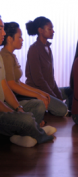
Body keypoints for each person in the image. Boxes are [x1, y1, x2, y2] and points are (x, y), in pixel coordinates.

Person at [0, 16, 56, 147]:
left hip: (6, 107)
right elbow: (12, 85)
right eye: (1, 29)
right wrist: (14, 112)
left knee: (36, 106)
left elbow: (5, 86)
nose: (3, 33)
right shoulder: (7, 55)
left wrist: (18, 108)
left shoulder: (3, 57)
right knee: (26, 118)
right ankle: (38, 133)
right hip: (2, 110)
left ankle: (23, 135)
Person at [0, 21, 68, 118]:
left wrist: (41, 93)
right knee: (62, 109)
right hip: (18, 96)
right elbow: (12, 84)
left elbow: (17, 82)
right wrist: (38, 94)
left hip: (37, 90)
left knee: (68, 91)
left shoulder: (11, 55)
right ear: (10, 39)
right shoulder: (6, 56)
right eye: (19, 37)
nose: (22, 40)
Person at [25, 16, 73, 111]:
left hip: (49, 90)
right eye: (50, 29)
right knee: (63, 109)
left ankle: (66, 111)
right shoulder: (34, 49)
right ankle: (61, 111)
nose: (53, 31)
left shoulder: (48, 48)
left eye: (52, 29)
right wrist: (55, 96)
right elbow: (38, 80)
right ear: (40, 30)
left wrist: (58, 95)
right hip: (39, 92)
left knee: (73, 90)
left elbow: (51, 77)